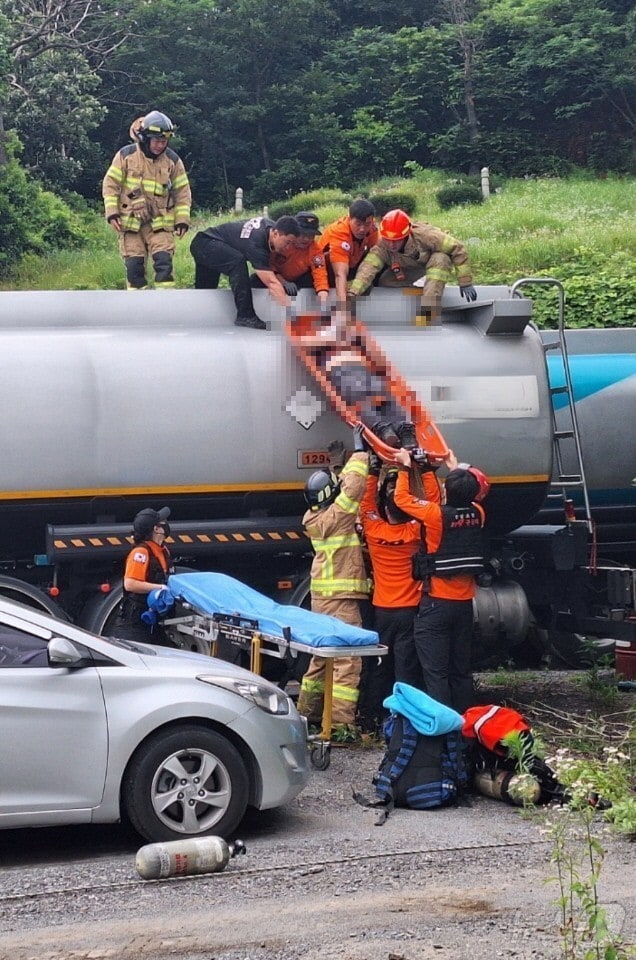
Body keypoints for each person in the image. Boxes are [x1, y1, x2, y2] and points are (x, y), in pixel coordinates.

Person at [392, 448, 490, 713]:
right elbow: (465, 489)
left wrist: (404, 467)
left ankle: (442, 734)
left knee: (436, 673)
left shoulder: (436, 516)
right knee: (460, 672)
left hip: (436, 605)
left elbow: (401, 498)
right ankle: (463, 729)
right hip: (464, 607)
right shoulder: (478, 514)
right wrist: (454, 465)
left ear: (449, 490)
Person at [296, 426, 370, 737]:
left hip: (321, 597)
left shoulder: (313, 518)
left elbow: (336, 495)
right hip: (341, 597)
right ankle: (339, 725)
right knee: (347, 660)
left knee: (320, 658)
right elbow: (351, 490)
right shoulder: (338, 516)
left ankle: (304, 714)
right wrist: (360, 453)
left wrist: (335, 467)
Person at [102, 111, 191, 290]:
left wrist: (182, 220)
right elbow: (110, 185)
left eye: (164, 141)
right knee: (134, 268)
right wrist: (112, 213)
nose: (161, 145)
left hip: (160, 224)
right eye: (157, 141)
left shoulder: (172, 160)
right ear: (145, 138)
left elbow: (183, 192)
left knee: (164, 264)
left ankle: (166, 305)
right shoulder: (126, 156)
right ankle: (137, 310)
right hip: (131, 223)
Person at [348, 208, 477, 322]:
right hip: (405, 268)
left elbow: (458, 249)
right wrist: (353, 293)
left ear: (406, 235)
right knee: (384, 282)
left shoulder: (427, 236)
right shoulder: (383, 245)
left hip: (431, 263)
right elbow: (368, 268)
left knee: (441, 259)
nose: (391, 245)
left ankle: (428, 312)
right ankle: (412, 294)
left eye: (396, 241)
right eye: (388, 240)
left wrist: (465, 282)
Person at [190, 215, 301, 330]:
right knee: (237, 262)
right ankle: (246, 316)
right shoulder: (256, 243)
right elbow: (271, 283)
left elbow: (269, 267)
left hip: (207, 242)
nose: (288, 248)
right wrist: (293, 316)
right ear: (276, 233)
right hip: (205, 244)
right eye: (287, 242)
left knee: (205, 290)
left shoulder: (271, 228)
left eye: (292, 244)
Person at [115, 506, 174, 644]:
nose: (166, 525)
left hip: (153, 621)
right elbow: (130, 584)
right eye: (163, 522)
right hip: (135, 623)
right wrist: (160, 587)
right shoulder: (140, 552)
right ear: (156, 529)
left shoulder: (163, 550)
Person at [251, 212, 330, 307]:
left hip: (297, 281)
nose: (306, 239)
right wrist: (283, 282)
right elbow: (267, 265)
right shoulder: (281, 242)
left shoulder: (315, 251)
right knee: (254, 280)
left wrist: (323, 297)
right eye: (303, 234)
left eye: (311, 235)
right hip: (274, 277)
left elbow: (320, 274)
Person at [319, 199, 379, 306]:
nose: (362, 229)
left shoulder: (373, 229)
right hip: (326, 269)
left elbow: (377, 255)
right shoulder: (338, 232)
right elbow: (340, 274)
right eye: (358, 224)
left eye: (367, 224)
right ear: (350, 219)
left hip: (352, 262)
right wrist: (342, 308)